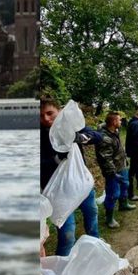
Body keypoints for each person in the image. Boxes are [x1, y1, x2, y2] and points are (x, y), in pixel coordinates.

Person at [40, 99, 102, 256]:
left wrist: (80, 137)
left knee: (92, 216)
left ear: (59, 111)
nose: (46, 119)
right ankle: (63, 267)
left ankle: (95, 248)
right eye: (41, 116)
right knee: (67, 233)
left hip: (81, 185)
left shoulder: (70, 126)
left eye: (49, 113)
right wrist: (55, 159)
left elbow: (97, 136)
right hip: (59, 192)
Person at [96, 112, 135, 229]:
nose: (121, 122)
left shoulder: (114, 132)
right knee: (113, 194)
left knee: (125, 185)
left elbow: (118, 149)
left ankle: (123, 204)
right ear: (113, 122)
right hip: (113, 170)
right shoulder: (105, 138)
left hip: (121, 165)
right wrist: (113, 173)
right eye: (119, 120)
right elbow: (106, 159)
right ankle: (109, 218)